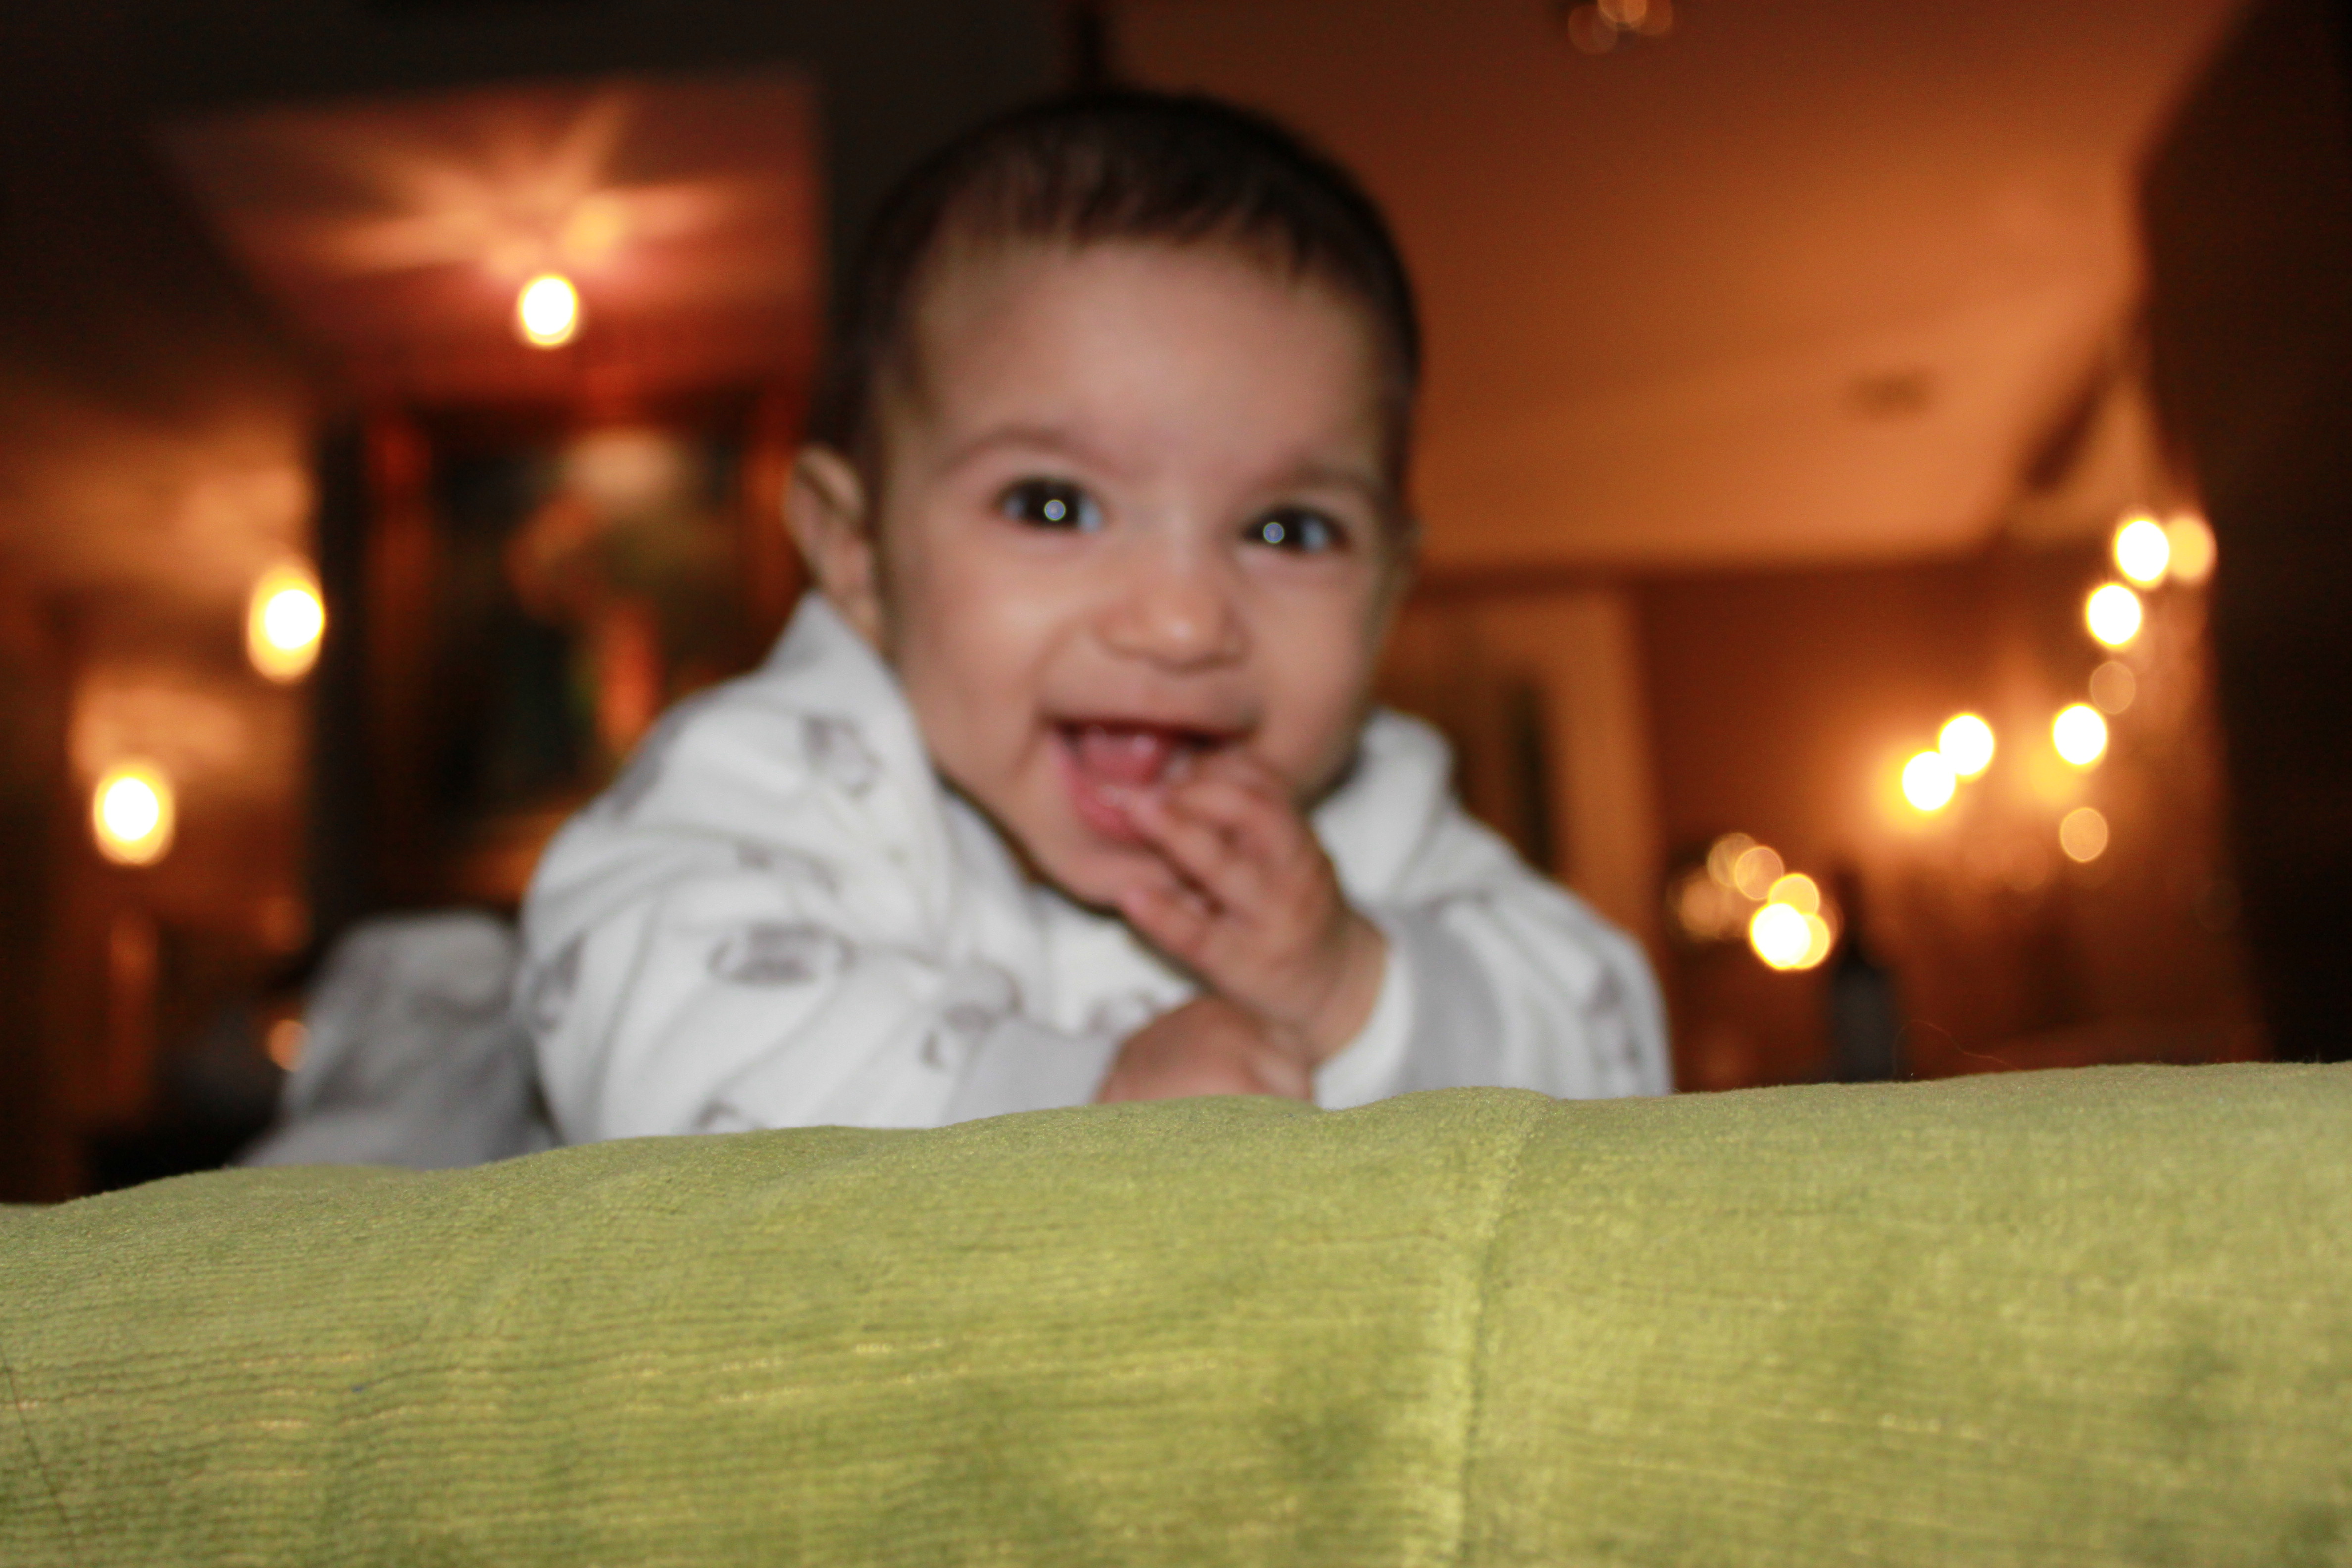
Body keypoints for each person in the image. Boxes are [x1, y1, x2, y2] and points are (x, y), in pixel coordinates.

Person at [518, 90, 1669, 1139]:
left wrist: (1350, 990)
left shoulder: (1374, 821)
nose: (1182, 623)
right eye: (1053, 505)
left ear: (1388, 593)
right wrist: (1077, 1104)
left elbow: (1617, 1065)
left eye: (1287, 530)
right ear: (858, 554)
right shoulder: (787, 777)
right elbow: (649, 1024)